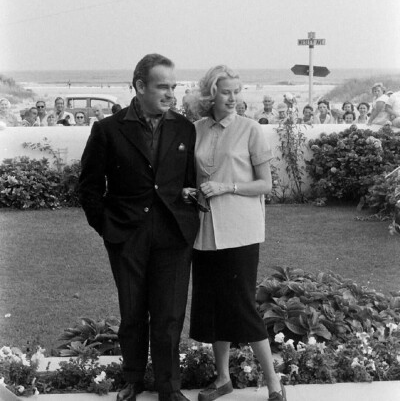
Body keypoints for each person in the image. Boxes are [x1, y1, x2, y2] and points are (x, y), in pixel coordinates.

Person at [79, 53, 199, 401]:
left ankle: (169, 387)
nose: (171, 94)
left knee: (169, 314)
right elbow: (88, 188)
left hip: (174, 235)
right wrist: (108, 228)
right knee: (132, 313)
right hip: (126, 235)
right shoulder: (108, 129)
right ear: (140, 86)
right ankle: (133, 380)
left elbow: (187, 182)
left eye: (174, 87)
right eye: (163, 86)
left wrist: (186, 217)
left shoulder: (184, 128)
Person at [184, 65, 286, 401]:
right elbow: (193, 175)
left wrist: (227, 186)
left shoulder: (251, 129)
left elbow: (266, 185)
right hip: (204, 231)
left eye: (236, 91)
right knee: (214, 305)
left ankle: (273, 384)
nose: (233, 98)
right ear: (211, 94)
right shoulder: (195, 129)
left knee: (241, 305)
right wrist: (190, 190)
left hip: (240, 232)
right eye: (226, 91)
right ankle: (223, 379)